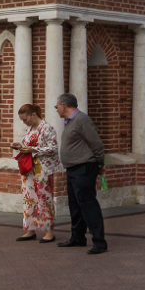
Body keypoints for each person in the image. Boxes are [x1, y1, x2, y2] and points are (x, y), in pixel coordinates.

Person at [53, 93, 107, 253]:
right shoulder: (69, 122)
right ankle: (78, 237)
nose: (56, 110)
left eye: (57, 107)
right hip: (73, 169)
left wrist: (100, 163)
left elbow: (96, 143)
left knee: (88, 204)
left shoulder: (82, 120)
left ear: (64, 105)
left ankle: (99, 242)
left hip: (84, 168)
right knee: (75, 205)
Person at [9, 103, 59, 243]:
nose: (24, 122)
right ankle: (30, 229)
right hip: (29, 169)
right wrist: (21, 147)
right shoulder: (30, 128)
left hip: (42, 168)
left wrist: (33, 150)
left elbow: (53, 148)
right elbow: (29, 146)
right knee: (29, 197)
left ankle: (49, 232)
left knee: (44, 197)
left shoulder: (47, 128)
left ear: (33, 114)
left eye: (25, 119)